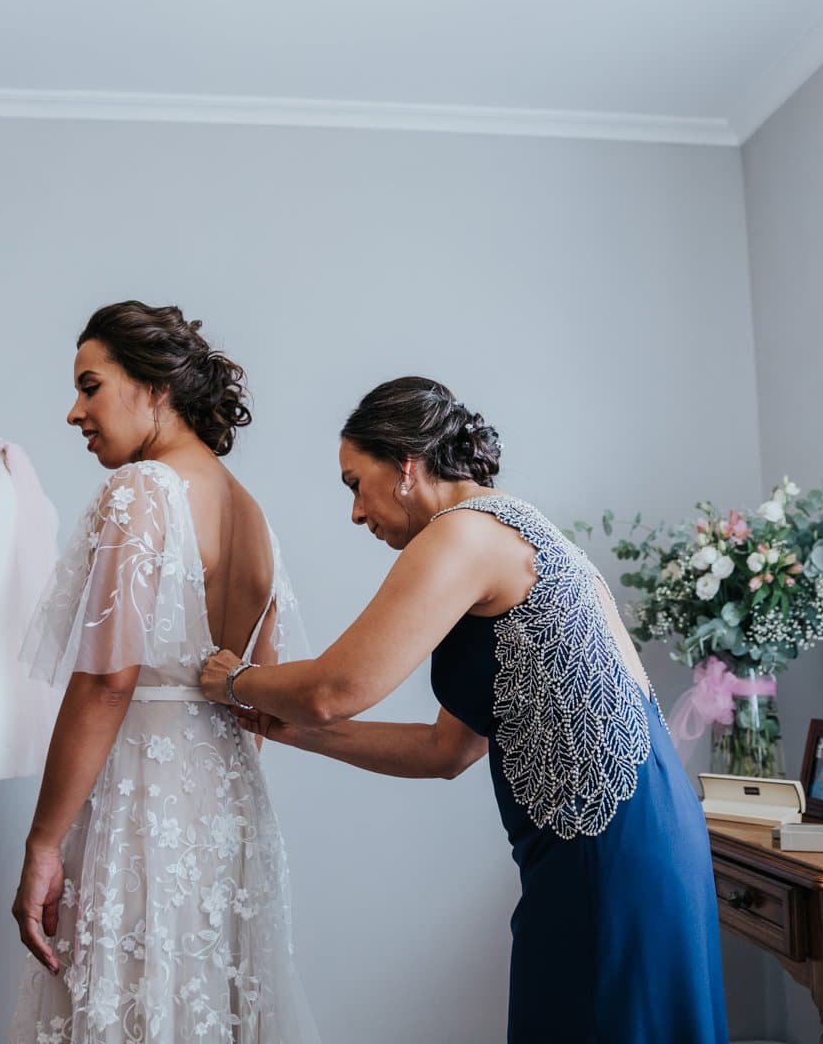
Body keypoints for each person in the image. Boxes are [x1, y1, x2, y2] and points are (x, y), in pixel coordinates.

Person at [201, 376, 729, 1043]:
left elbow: (333, 689)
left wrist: (235, 679)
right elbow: (445, 751)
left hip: (606, 847)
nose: (356, 513)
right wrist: (294, 733)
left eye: (354, 483)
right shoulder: (506, 530)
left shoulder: (462, 536)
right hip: (640, 833)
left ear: (407, 466)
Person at [8, 301, 319, 1043]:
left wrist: (43, 844)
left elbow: (108, 679)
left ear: (155, 388)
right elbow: (260, 701)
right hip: (228, 806)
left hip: (144, 806)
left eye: (90, 387)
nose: (74, 412)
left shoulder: (144, 491)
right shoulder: (251, 513)